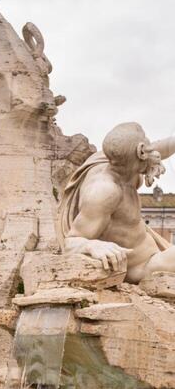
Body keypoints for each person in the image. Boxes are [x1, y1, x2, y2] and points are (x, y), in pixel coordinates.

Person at [60, 121, 175, 282]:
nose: (152, 147)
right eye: (147, 141)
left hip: (155, 249)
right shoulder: (104, 192)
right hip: (143, 267)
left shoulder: (115, 158)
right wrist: (91, 245)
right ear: (141, 152)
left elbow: (157, 149)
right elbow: (70, 242)